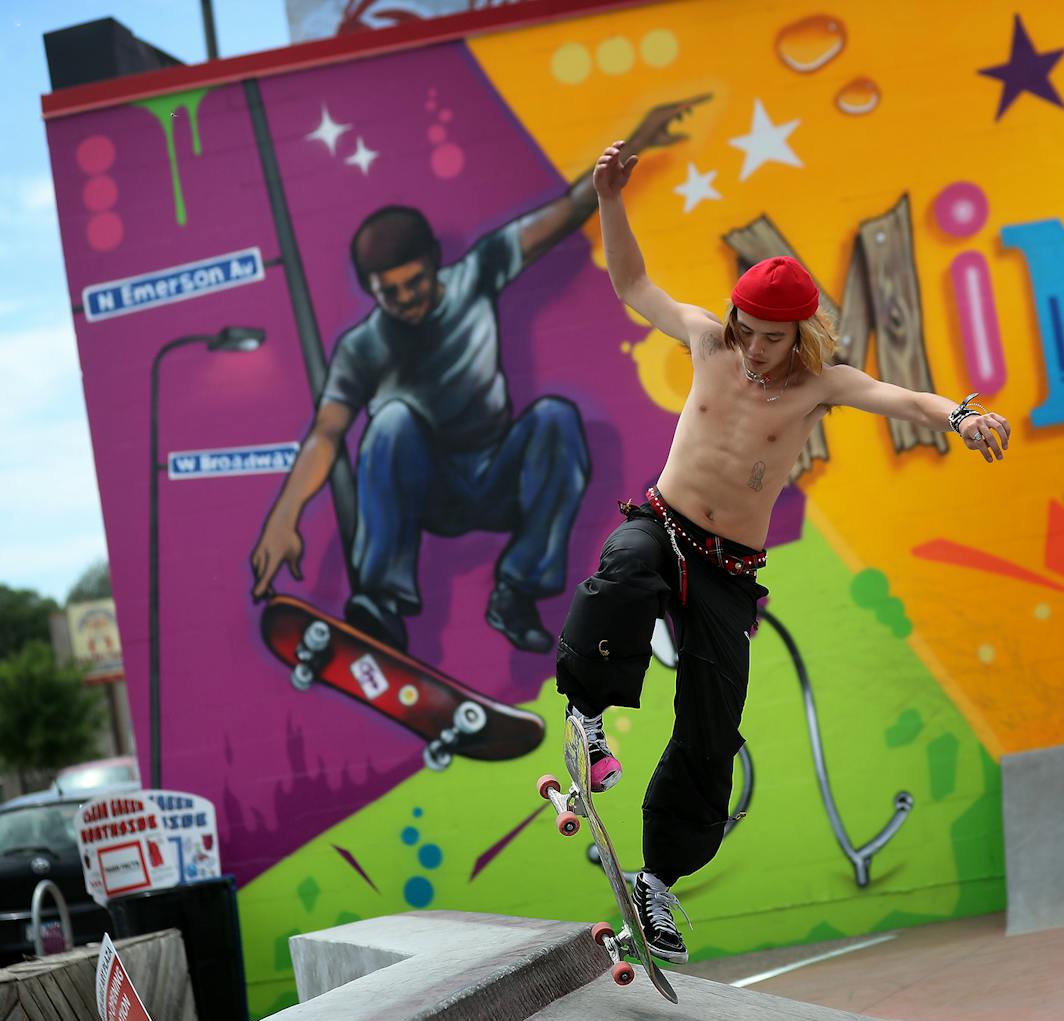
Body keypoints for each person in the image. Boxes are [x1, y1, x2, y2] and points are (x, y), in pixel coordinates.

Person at [554, 141, 1013, 963]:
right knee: (620, 574)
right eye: (749, 332)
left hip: (730, 571)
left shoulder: (818, 383)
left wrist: (960, 416)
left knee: (710, 725)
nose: (756, 351)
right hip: (663, 523)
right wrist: (610, 198)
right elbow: (632, 284)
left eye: (772, 339)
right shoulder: (705, 340)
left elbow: (897, 393)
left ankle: (659, 882)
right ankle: (588, 715)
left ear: (799, 332)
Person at [250, 100, 705, 654]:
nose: (404, 301)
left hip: (496, 474)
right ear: (372, 289)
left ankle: (517, 590)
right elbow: (326, 433)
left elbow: (563, 213)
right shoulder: (363, 344)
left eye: (413, 284)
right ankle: (383, 603)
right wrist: (285, 515)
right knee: (389, 422)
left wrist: (636, 138)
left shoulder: (478, 272)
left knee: (555, 419)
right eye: (387, 293)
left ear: (435, 263)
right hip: (429, 488)